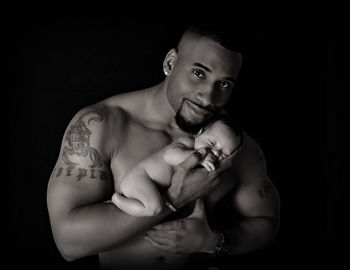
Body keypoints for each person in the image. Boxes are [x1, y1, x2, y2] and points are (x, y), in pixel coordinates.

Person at [47, 21, 280, 270]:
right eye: (199, 73)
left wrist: (213, 242)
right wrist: (175, 198)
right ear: (170, 63)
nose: (208, 97)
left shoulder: (232, 146)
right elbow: (68, 243)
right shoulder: (100, 125)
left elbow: (266, 222)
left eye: (224, 84)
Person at [111, 116, 243, 217]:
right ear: (199, 132)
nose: (215, 152)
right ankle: (117, 200)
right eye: (211, 142)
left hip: (150, 187)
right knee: (154, 207)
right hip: (140, 179)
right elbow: (169, 156)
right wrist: (197, 158)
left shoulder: (207, 168)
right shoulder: (186, 143)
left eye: (223, 153)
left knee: (158, 206)